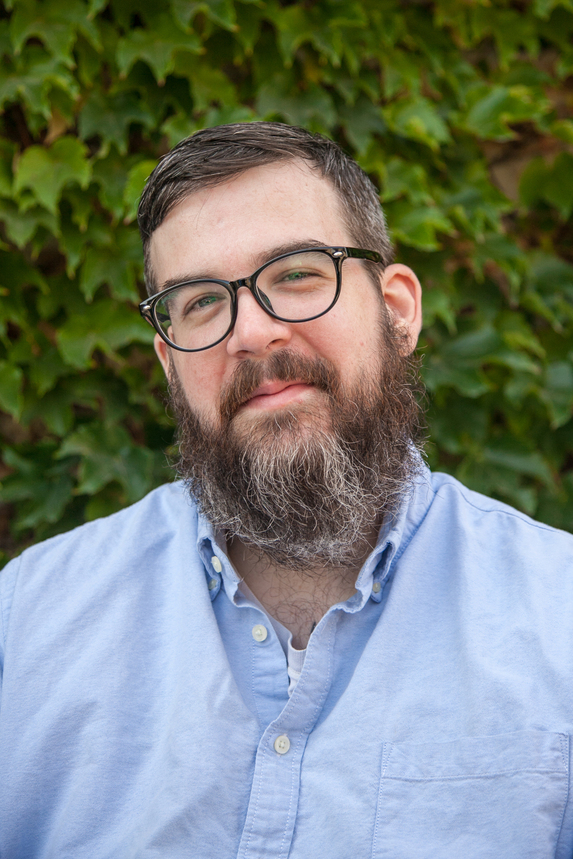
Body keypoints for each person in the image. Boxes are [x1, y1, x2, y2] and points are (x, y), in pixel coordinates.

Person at [1, 122, 572, 859]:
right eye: (201, 301)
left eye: (297, 273)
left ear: (396, 312)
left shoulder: (560, 619)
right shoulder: (28, 622)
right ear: (169, 365)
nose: (252, 330)